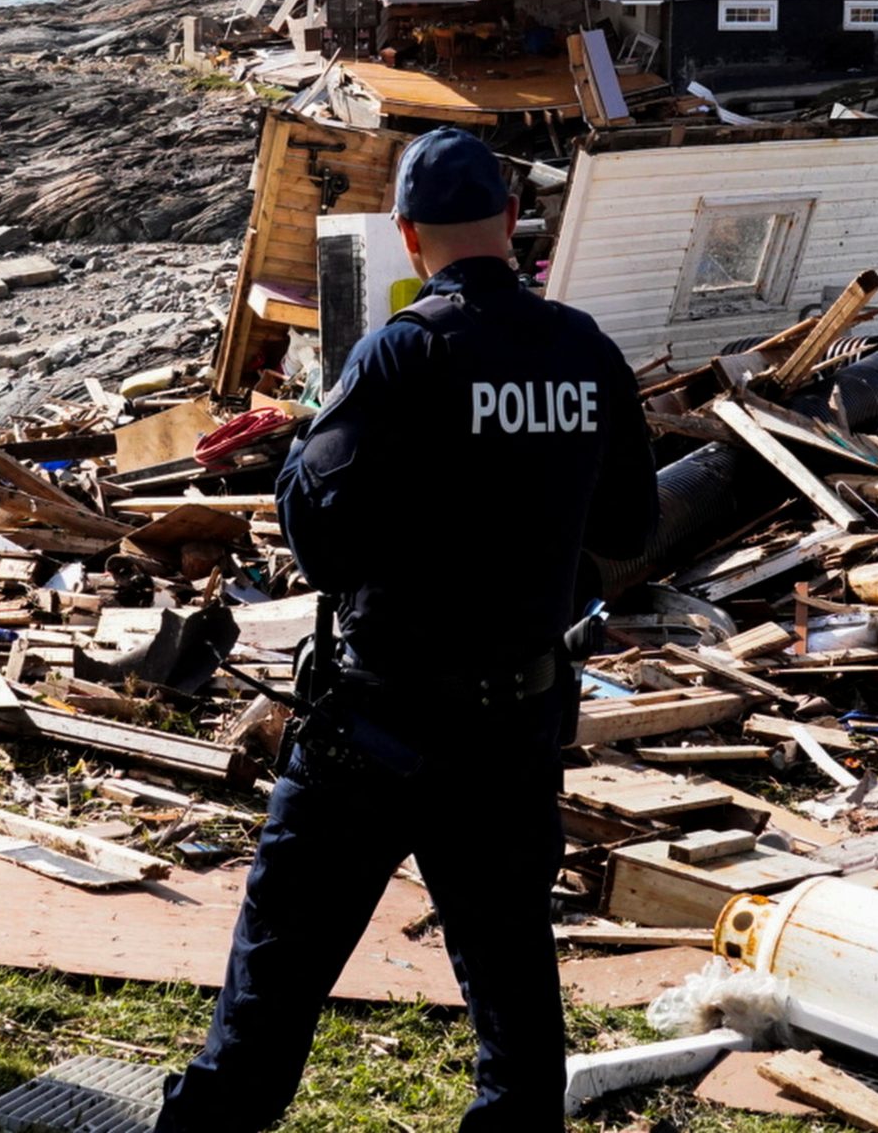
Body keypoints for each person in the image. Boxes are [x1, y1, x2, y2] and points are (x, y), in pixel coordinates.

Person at [159, 127, 658, 1132]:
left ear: (406, 231)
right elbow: (629, 528)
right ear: (513, 222)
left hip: (377, 726)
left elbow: (319, 533)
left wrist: (311, 452)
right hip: (513, 724)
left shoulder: (400, 352)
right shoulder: (583, 352)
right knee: (515, 1001)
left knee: (272, 990)